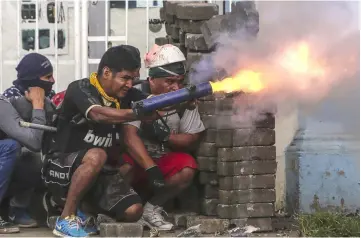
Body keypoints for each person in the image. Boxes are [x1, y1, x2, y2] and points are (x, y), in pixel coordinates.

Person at [42, 45, 158, 237]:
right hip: (60, 167)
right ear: (106, 72)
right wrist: (136, 113)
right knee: (97, 154)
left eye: (133, 79)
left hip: (100, 171)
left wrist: (180, 101)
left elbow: (155, 103)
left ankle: (88, 214)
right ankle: (65, 217)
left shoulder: (128, 95)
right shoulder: (79, 88)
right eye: (125, 78)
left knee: (133, 211)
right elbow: (98, 114)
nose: (130, 84)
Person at [121, 44, 205, 231]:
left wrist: (166, 137)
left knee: (187, 166)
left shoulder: (184, 99)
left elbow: (192, 138)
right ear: (152, 79)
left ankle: (151, 209)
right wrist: (149, 167)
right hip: (137, 165)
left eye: (179, 81)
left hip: (161, 166)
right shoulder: (136, 96)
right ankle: (119, 208)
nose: (175, 87)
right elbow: (129, 137)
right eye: (169, 81)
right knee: (123, 165)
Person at [0, 53, 56, 232]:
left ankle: (17, 210)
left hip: (12, 167)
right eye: (47, 77)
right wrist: (38, 106)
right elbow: (33, 142)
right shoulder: (8, 100)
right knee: (13, 147)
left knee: (36, 160)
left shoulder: (49, 98)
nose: (53, 80)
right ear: (33, 80)